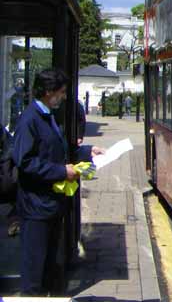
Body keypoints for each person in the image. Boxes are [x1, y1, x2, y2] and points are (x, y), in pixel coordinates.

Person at [11, 68, 105, 296]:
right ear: (48, 91)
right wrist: (61, 171)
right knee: (34, 270)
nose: (64, 97)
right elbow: (25, 162)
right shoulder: (30, 120)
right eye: (61, 92)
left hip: (50, 205)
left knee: (48, 267)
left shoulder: (47, 116)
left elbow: (56, 150)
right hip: (36, 207)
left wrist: (85, 152)